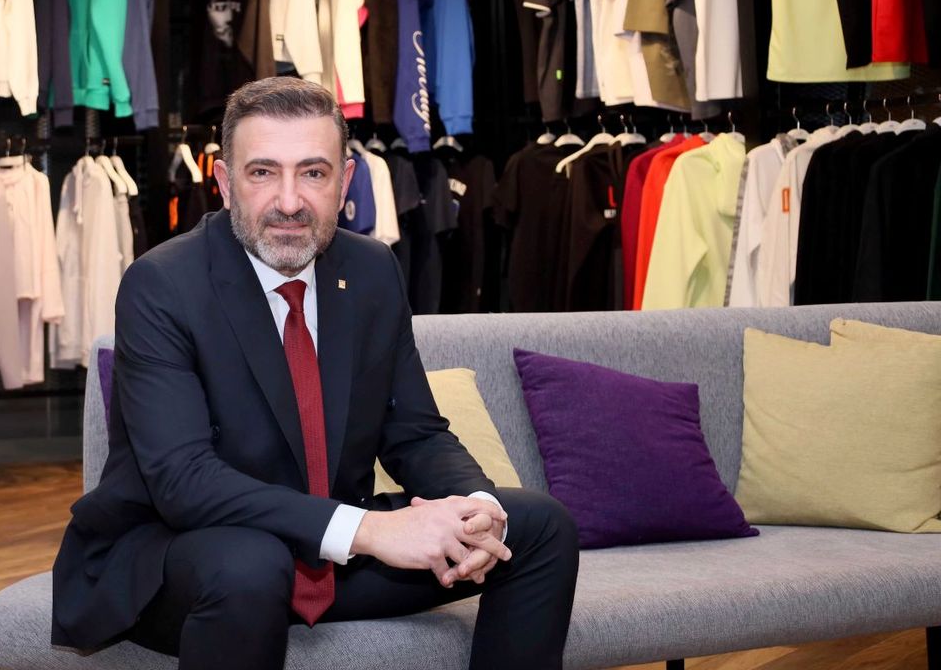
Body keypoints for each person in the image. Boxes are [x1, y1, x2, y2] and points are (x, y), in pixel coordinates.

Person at [51, 76, 579, 669]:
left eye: (313, 173)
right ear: (224, 181)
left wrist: (475, 507)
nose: (289, 201)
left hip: (330, 554)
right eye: (262, 172)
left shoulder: (372, 269)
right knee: (250, 565)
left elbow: (414, 432)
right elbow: (184, 482)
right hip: (183, 559)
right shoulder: (162, 285)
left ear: (345, 181)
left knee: (537, 526)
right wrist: (371, 532)